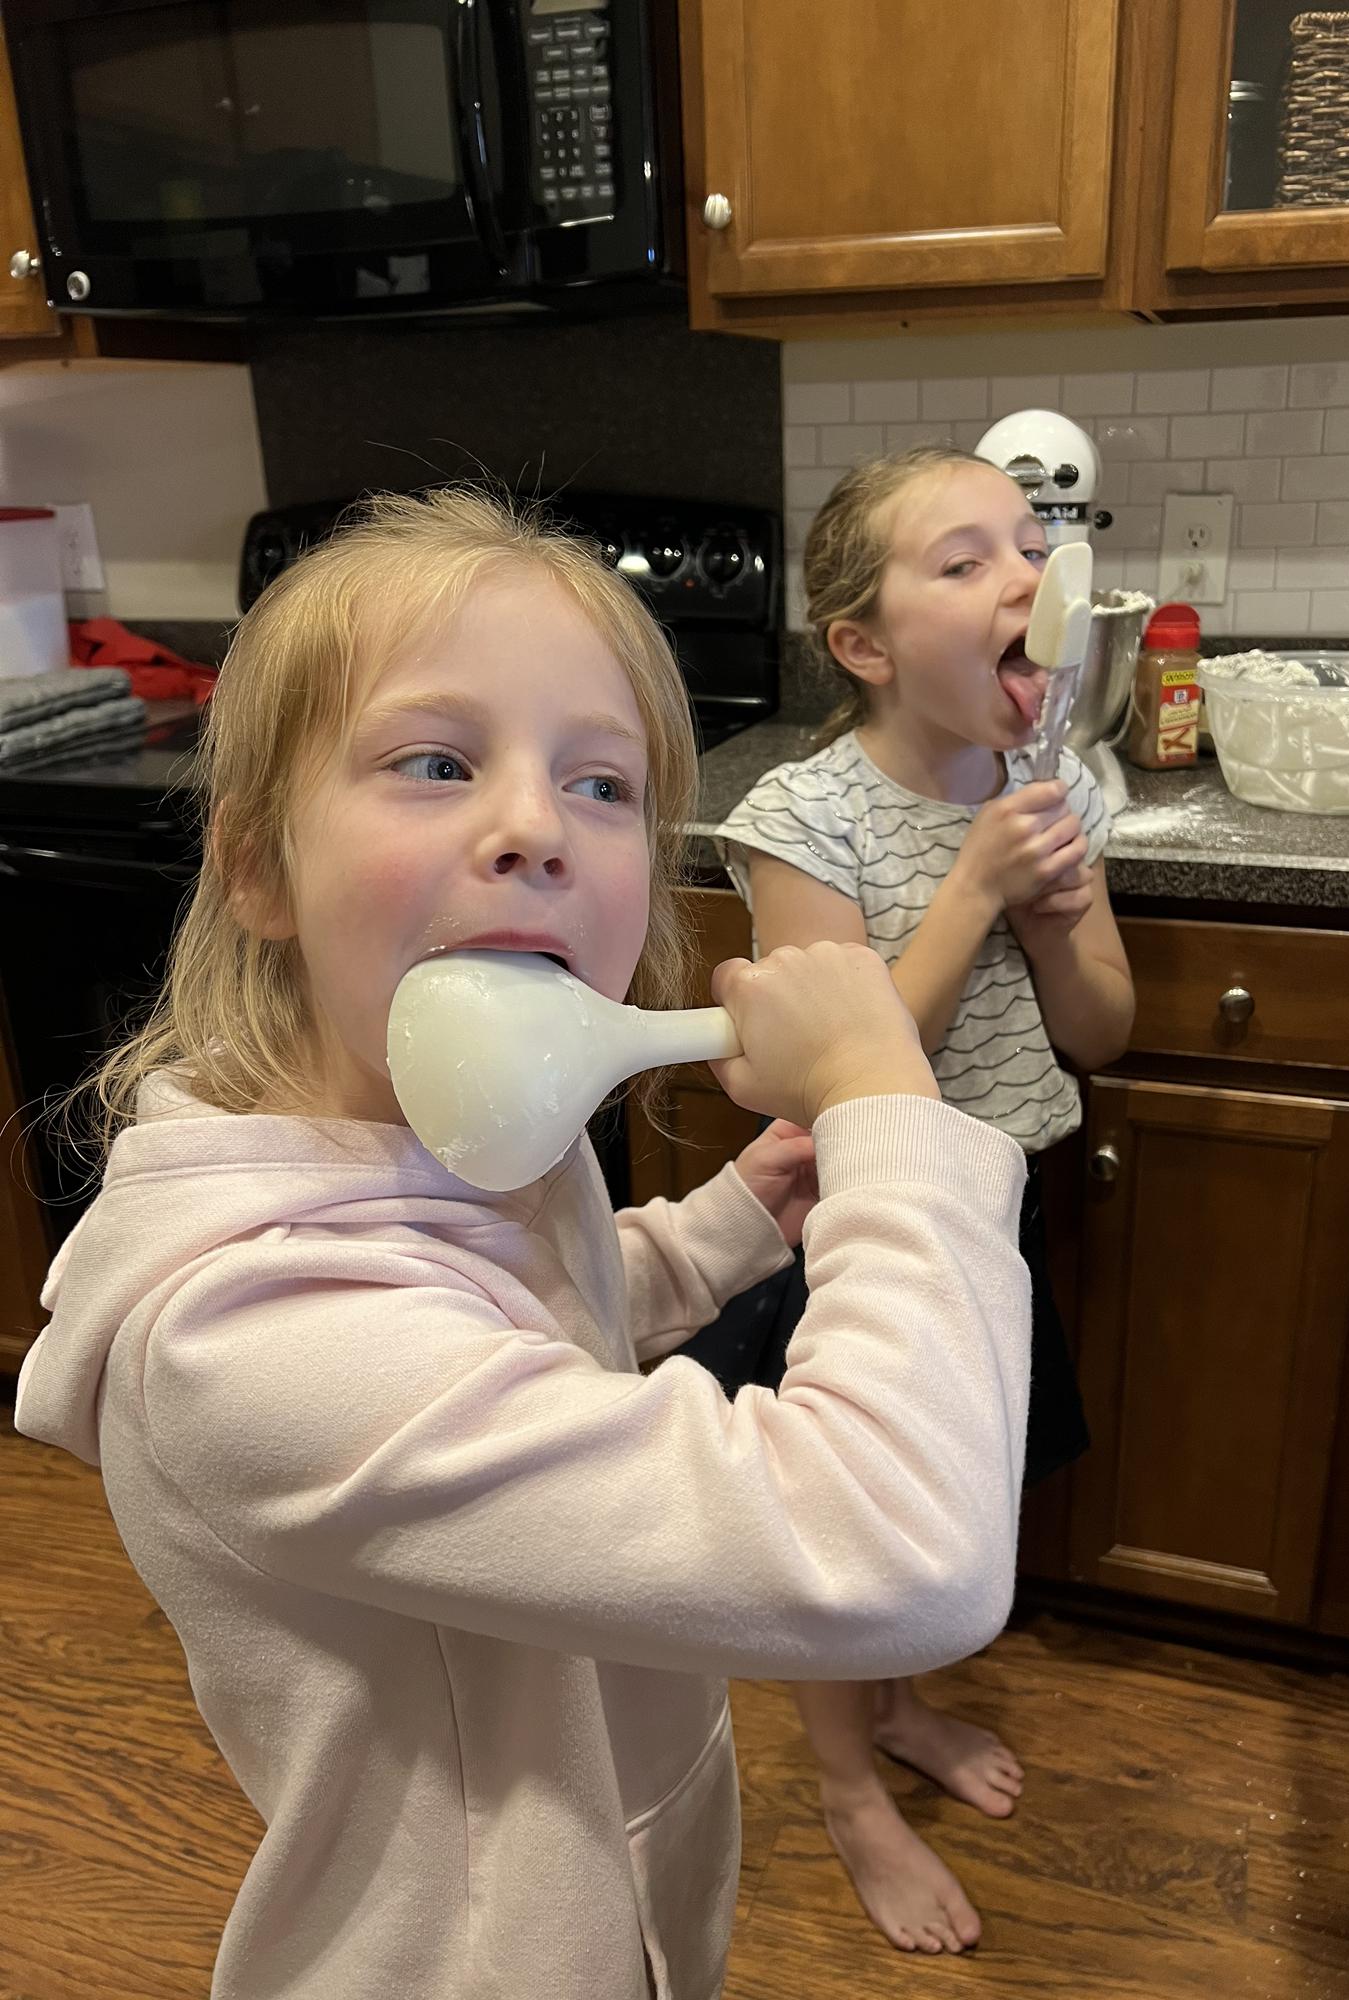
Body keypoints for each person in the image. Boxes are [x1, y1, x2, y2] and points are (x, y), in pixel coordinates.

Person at [15, 486, 1037, 1997]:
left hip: (614, 1894)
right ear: (255, 870)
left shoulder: (468, 1152)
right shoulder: (250, 1335)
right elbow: (902, 1553)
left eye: (605, 784)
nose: (534, 827)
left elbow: (532, 1325)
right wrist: (891, 1105)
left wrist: (727, 1227)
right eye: (435, 762)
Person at [709, 445, 1136, 1954]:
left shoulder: (1056, 783)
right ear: (866, 644)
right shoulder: (799, 819)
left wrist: (1068, 912)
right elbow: (833, 1071)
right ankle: (844, 1785)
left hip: (990, 1205)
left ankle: (895, 1708)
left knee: (939, 1502)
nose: (1022, 577)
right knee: (847, 1535)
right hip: (845, 1228)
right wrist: (969, 895)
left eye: (1031, 546)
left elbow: (1101, 1035)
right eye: (961, 563)